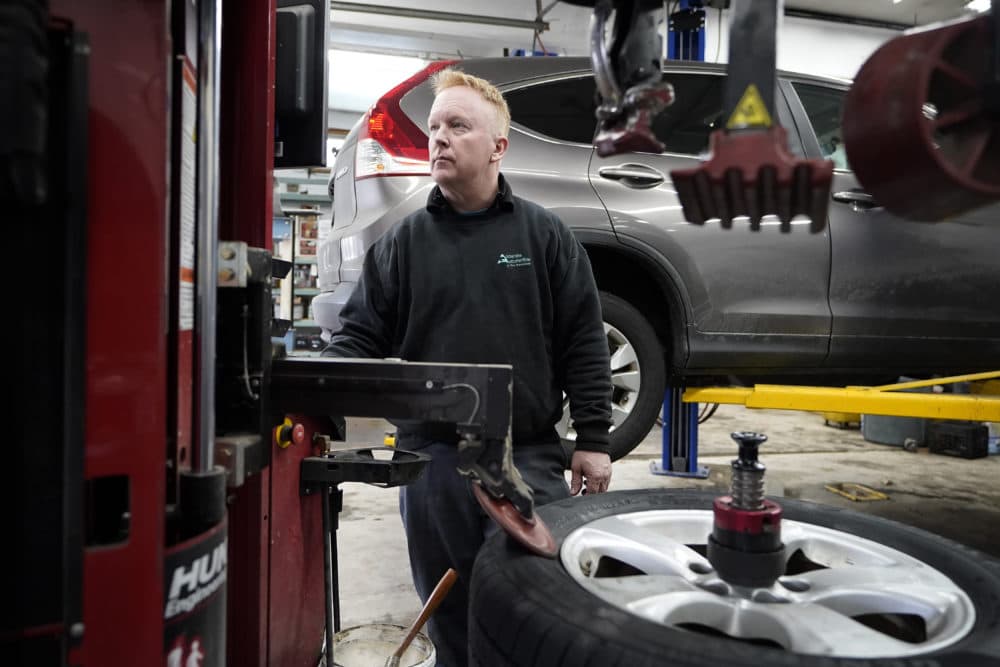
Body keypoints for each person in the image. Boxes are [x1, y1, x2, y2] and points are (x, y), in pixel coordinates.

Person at [322, 69, 613, 667]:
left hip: (527, 453)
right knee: (448, 609)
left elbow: (583, 338)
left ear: (498, 147)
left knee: (531, 605)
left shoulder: (544, 236)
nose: (439, 139)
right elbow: (358, 336)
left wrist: (592, 437)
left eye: (458, 126)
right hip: (431, 460)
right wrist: (318, 389)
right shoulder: (403, 244)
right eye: (434, 127)